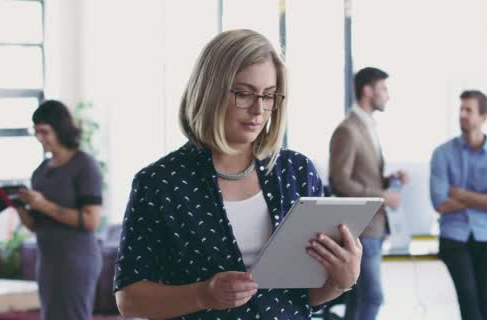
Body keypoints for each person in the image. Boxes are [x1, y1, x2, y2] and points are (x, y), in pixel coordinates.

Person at [113, 29, 362, 320]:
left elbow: (306, 295)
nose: (258, 109)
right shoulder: (160, 182)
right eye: (243, 93)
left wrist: (340, 280)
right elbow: (129, 299)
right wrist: (202, 294)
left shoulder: (297, 172)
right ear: (210, 90)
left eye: (268, 96)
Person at [329, 67, 408, 320]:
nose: (387, 95)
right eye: (383, 88)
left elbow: (362, 175)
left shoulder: (368, 127)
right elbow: (339, 181)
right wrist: (383, 196)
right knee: (373, 296)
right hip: (361, 228)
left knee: (360, 297)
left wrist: (388, 181)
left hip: (374, 227)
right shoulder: (348, 130)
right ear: (367, 91)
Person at [16, 100, 103, 320]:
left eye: (44, 131)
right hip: (47, 260)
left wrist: (43, 204)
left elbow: (91, 220)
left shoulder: (84, 165)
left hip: (76, 260)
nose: (39, 138)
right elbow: (36, 225)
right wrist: (17, 205)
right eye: (36, 132)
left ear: (60, 129)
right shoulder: (41, 171)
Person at [430, 90, 487, 320]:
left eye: (469, 110)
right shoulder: (442, 153)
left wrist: (460, 193)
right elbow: (440, 202)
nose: (463, 115)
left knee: (486, 300)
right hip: (454, 238)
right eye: (461, 109)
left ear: (483, 116)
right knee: (468, 298)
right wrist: (484, 199)